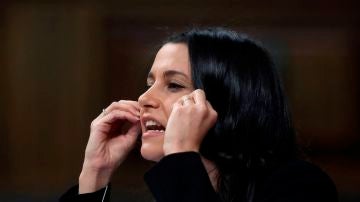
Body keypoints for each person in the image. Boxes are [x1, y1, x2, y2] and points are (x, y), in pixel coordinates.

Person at [60, 27, 338, 202]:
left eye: (174, 85)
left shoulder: (301, 186)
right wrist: (95, 175)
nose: (144, 99)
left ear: (226, 102)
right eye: (149, 84)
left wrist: (182, 154)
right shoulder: (170, 190)